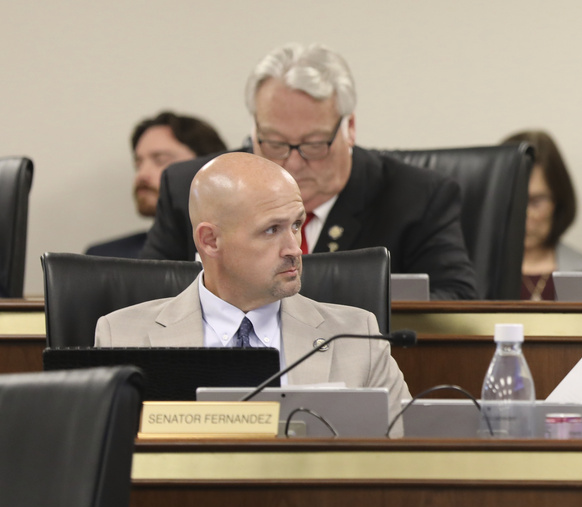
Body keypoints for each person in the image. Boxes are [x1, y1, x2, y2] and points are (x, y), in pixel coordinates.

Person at [95, 153, 412, 432]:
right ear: (210, 241)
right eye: (272, 229)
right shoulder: (122, 337)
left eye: (296, 225)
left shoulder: (357, 338)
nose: (294, 248)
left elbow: (405, 460)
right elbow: (101, 465)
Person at [139, 43, 478, 300]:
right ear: (254, 130)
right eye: (274, 142)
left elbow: (454, 303)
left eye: (314, 144)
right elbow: (144, 297)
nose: (293, 162)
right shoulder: (194, 188)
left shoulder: (417, 197)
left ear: (351, 128)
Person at [85, 112, 227, 258]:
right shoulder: (105, 260)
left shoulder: (241, 253)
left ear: (208, 166)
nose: (141, 175)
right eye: (138, 164)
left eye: (160, 160)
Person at [501, 130, 582, 300]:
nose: (524, 214)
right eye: (514, 200)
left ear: (558, 201)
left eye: (536, 202)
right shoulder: (465, 276)